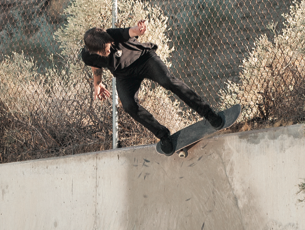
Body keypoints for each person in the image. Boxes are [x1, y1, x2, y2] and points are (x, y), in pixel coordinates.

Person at [81, 21, 224, 155]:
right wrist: (97, 83)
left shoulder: (113, 34)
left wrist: (139, 29)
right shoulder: (88, 55)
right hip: (124, 75)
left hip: (145, 60)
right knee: (129, 106)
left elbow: (131, 31)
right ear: (94, 51)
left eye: (109, 46)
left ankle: (209, 114)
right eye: (105, 50)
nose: (109, 49)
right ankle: (163, 136)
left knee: (168, 81)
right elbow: (95, 65)